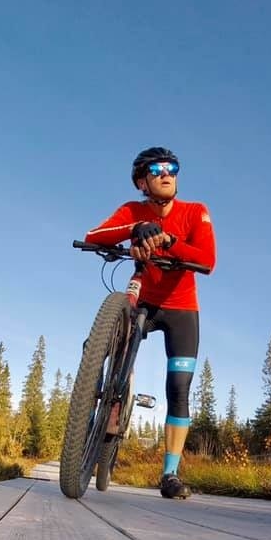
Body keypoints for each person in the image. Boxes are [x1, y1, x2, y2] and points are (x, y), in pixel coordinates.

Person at [83, 147, 217, 499]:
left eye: (172, 167)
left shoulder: (195, 211)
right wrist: (137, 228)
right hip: (142, 298)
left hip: (182, 309)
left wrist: (170, 242)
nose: (166, 173)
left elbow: (207, 259)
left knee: (179, 389)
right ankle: (96, 400)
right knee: (99, 344)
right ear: (142, 180)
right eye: (156, 169)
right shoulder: (132, 209)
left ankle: (170, 474)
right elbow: (96, 235)